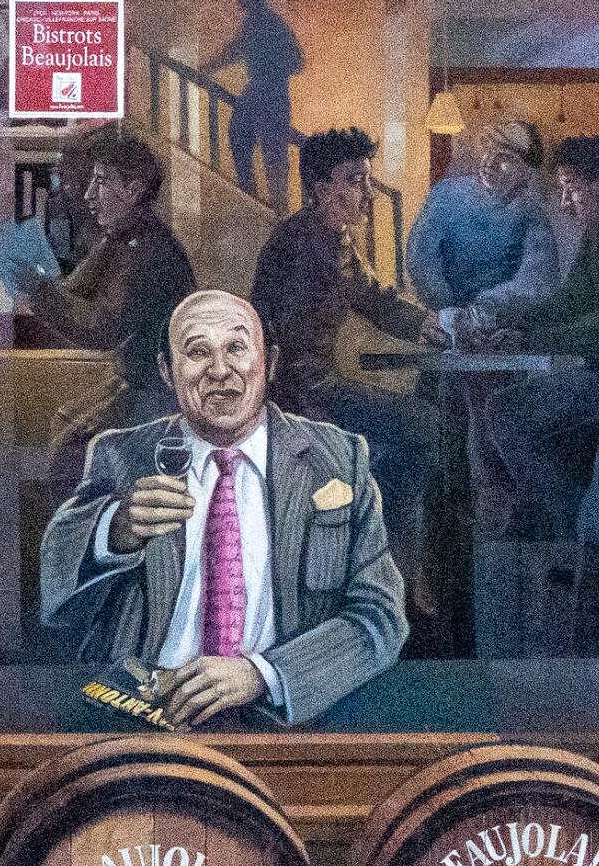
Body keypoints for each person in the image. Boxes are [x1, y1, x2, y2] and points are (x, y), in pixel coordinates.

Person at [34, 289, 408, 725]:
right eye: (197, 352)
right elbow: (53, 588)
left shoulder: (339, 459)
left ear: (269, 363)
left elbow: (382, 617)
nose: (219, 370)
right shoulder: (122, 454)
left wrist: (263, 674)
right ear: (167, 371)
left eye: (236, 348)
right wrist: (115, 529)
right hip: (146, 716)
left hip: (284, 713)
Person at [251, 127, 452, 624]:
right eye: (355, 181)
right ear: (323, 189)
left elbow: (373, 297)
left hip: (316, 392)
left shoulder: (333, 239)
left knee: (421, 431)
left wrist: (427, 326)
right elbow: (285, 346)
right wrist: (318, 422)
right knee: (424, 428)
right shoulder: (300, 248)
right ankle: (395, 580)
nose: (368, 193)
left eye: (367, 180)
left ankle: (393, 573)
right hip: (297, 401)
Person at [480, 136, 599, 653]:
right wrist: (507, 321)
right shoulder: (598, 232)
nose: (566, 203)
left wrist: (533, 337)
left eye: (572, 189)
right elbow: (570, 302)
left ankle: (592, 650)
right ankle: (562, 523)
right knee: (506, 410)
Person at [8, 127, 196, 487]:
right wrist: (37, 279)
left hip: (158, 396)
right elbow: (75, 290)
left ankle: (88, 521)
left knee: (73, 449)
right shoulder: (121, 239)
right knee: (67, 427)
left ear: (133, 190)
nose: (89, 195)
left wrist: (37, 286)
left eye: (101, 181)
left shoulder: (151, 252)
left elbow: (101, 329)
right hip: (135, 384)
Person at [406, 117, 562, 329]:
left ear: (527, 172)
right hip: (440, 320)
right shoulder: (446, 194)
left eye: (505, 157)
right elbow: (421, 259)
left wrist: (480, 313)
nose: (490, 162)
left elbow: (537, 280)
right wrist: (447, 312)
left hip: (498, 326)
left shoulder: (531, 214)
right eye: (489, 151)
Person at [203, 0, 304, 206]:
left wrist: (270, 66)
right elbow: (235, 50)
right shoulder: (258, 22)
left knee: (269, 153)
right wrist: (208, 68)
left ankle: (268, 204)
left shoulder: (267, 22)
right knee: (245, 138)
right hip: (263, 94)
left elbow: (297, 61)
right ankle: (256, 198)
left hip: (269, 94)